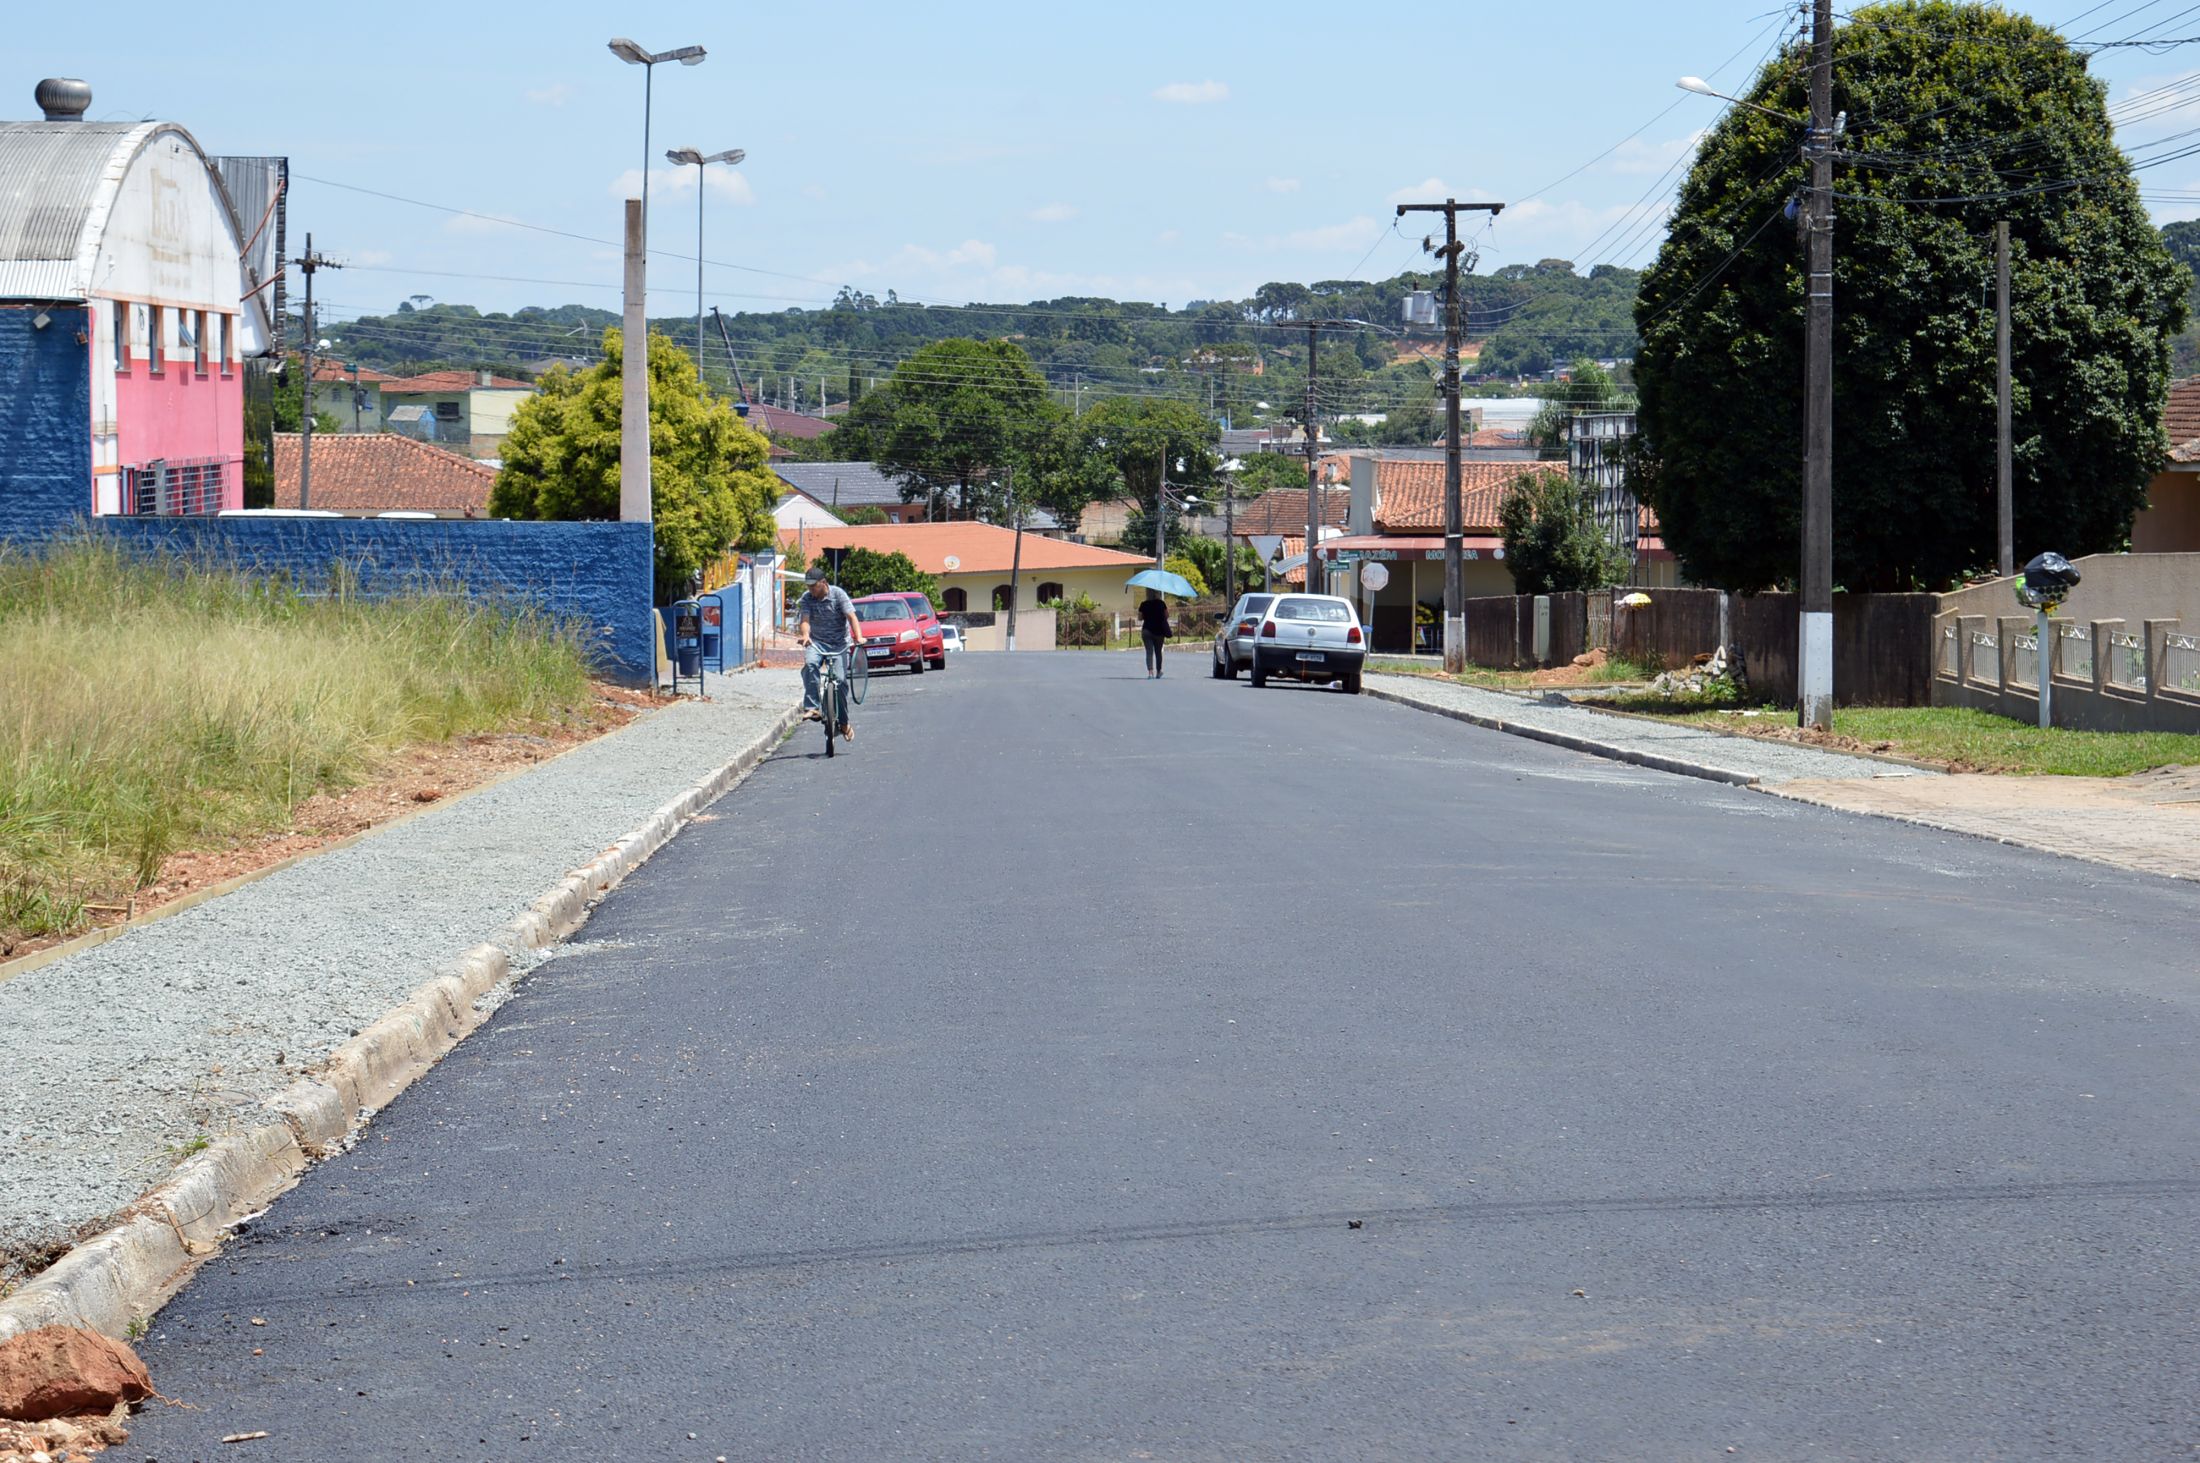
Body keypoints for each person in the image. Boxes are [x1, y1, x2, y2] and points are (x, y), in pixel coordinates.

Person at [795, 565, 859, 741]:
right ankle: (813, 707)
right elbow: (805, 620)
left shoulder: (838, 594)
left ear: (823, 583)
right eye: (808, 586)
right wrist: (806, 635)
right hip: (817, 642)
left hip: (839, 644)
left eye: (813, 586)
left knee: (840, 682)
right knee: (810, 665)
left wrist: (859, 637)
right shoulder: (807, 598)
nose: (810, 590)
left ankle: (844, 723)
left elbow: (851, 617)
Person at [1138, 590, 1171, 678]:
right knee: (1158, 652)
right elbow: (1167, 615)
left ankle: (1150, 672)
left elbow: (1140, 618)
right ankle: (1159, 671)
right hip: (1159, 631)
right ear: (1157, 594)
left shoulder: (1144, 604)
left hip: (1147, 631)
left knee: (1149, 652)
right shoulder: (1161, 604)